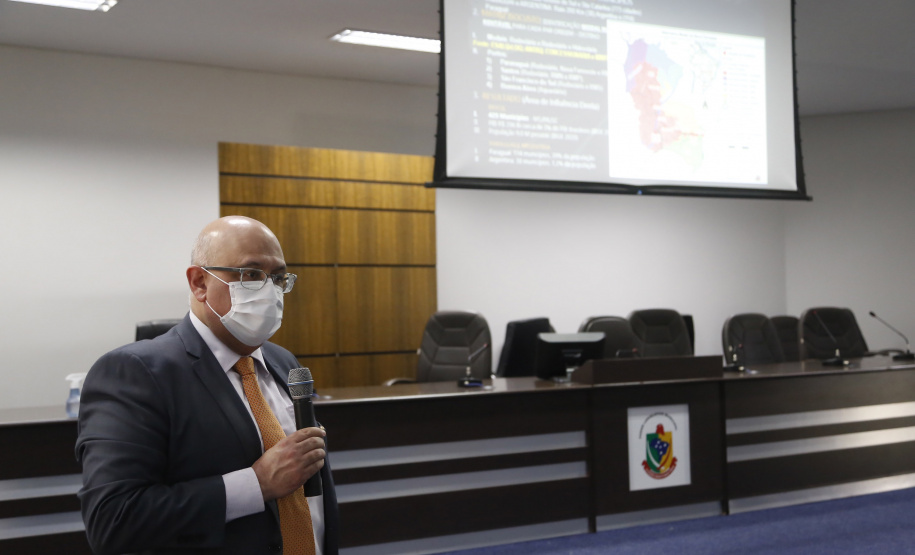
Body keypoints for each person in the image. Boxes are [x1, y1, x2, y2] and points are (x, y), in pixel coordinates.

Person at [76, 216, 338, 555]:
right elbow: (113, 520)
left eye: (277, 277)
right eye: (251, 274)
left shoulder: (284, 362)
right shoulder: (135, 373)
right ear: (199, 282)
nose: (270, 290)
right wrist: (256, 485)